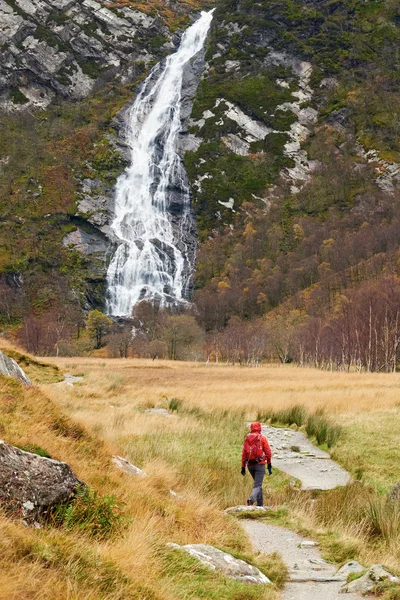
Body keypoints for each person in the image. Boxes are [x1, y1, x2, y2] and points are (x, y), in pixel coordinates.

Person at [241, 422, 272, 507]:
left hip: (250, 465)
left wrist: (243, 467)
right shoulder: (262, 438)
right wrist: (269, 465)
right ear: (259, 428)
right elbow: (268, 453)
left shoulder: (247, 438)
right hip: (260, 464)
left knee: (258, 484)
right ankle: (251, 499)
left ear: (251, 428)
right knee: (258, 485)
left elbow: (244, 454)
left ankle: (260, 505)